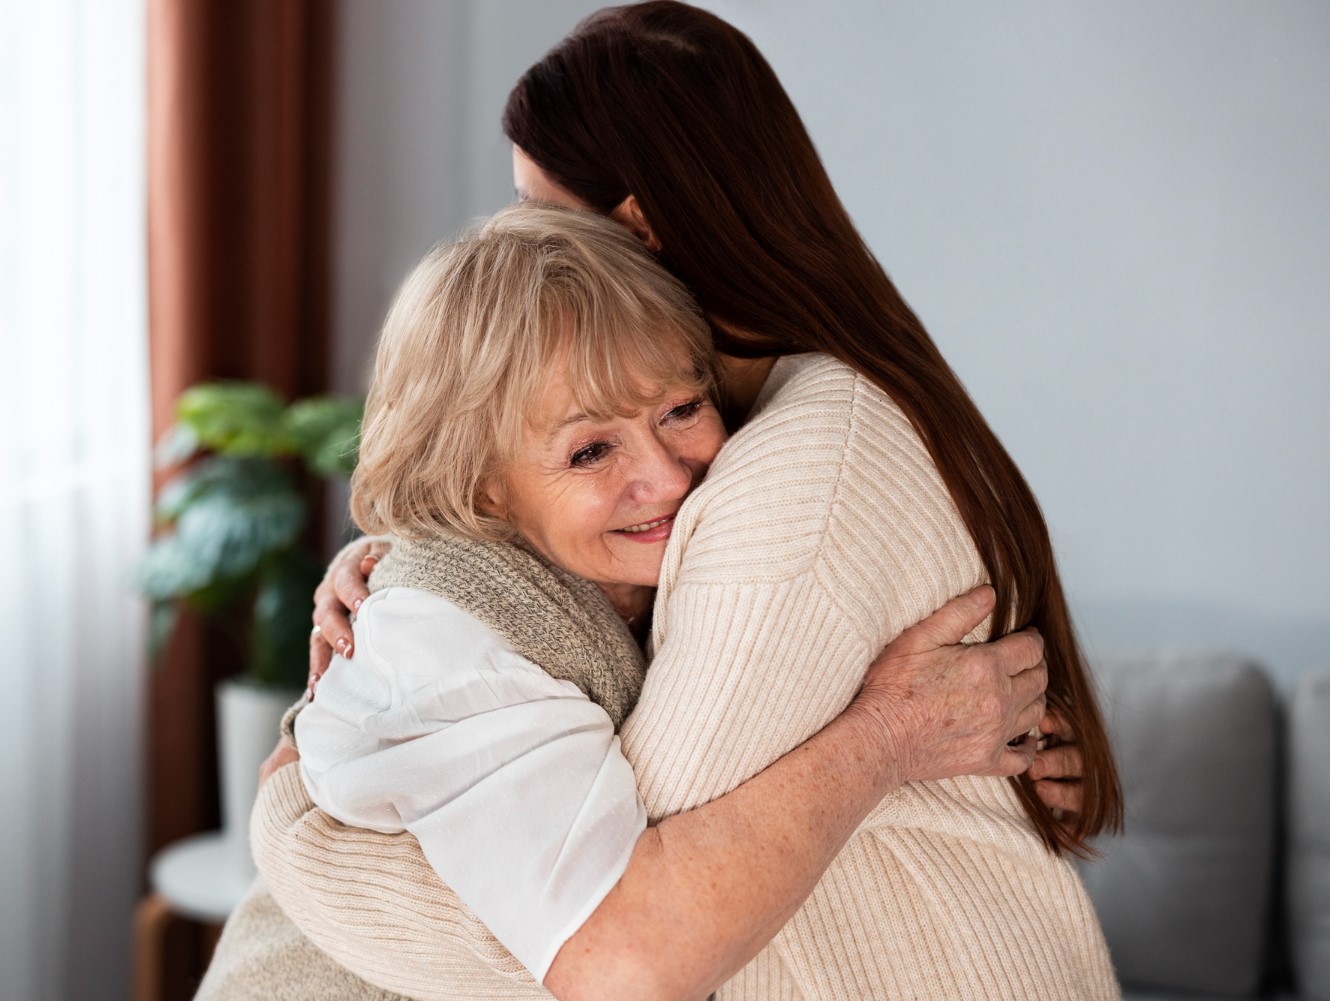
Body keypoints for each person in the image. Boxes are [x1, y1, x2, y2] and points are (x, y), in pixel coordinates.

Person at [260, 2, 1125, 997]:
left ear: (636, 228)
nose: (526, 248)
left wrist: (288, 815)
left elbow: (626, 941)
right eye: (594, 445)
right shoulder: (821, 407)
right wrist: (410, 569)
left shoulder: (795, 479)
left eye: (540, 211)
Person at [199, 202, 1050, 1001]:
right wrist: (888, 737)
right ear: (482, 489)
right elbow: (624, 967)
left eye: (681, 408)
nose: (669, 476)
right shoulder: (443, 644)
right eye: (590, 450)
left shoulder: (612, 574)